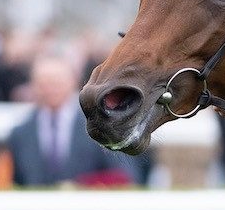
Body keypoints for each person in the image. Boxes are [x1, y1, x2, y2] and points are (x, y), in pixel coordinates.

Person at [7, 53, 142, 187]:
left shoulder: (101, 128)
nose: (50, 89)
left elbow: (125, 176)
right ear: (33, 85)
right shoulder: (20, 134)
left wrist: (81, 185)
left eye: (56, 82)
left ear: (73, 81)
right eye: (43, 83)